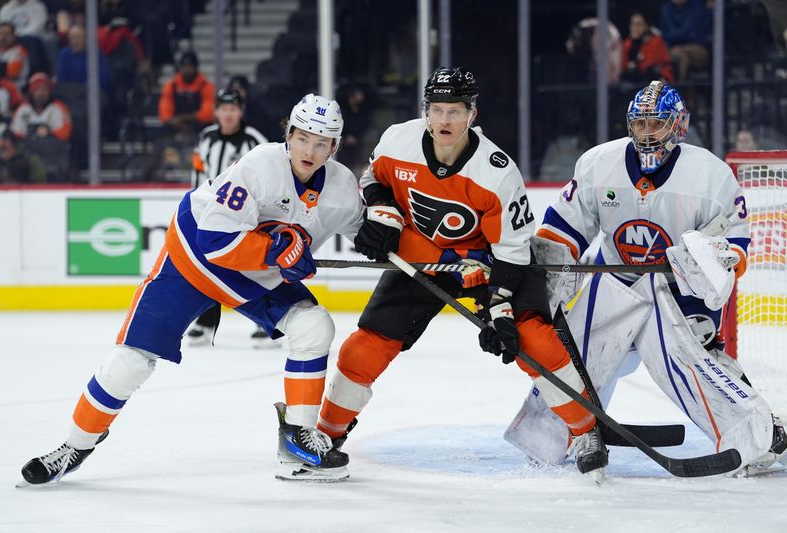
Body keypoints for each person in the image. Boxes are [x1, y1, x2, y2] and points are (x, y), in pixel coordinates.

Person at [20, 94, 365, 485]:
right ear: (288, 135)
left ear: (334, 147)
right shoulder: (259, 167)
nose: (310, 150)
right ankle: (75, 445)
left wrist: (394, 236)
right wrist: (274, 250)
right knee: (131, 361)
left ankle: (298, 444)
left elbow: (369, 234)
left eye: (322, 143)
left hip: (254, 274)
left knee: (313, 327)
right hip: (194, 260)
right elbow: (215, 239)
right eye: (303, 138)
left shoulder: (341, 187)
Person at [316, 67, 608, 478]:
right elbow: (372, 180)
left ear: (472, 113)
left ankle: (584, 430)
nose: (444, 121)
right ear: (426, 111)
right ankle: (327, 433)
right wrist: (383, 214)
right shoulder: (398, 140)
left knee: (535, 342)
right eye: (436, 110)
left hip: (490, 263)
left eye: (454, 111)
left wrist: (501, 309)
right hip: (424, 258)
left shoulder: (497, 171)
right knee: (365, 346)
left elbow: (511, 250)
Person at [505, 81, 786, 477]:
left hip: (676, 292)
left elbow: (735, 247)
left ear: (679, 125)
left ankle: (758, 436)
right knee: (575, 355)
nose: (648, 133)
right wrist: (542, 293)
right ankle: (549, 437)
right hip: (613, 281)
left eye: (657, 123)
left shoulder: (710, 175)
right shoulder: (598, 164)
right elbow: (560, 234)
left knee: (691, 363)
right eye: (640, 124)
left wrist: (708, 263)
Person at [185, 88, 273, 349]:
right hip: (212, 212)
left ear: (241, 112)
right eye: (223, 109)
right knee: (207, 263)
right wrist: (194, 204)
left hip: (248, 214)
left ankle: (264, 321)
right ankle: (207, 319)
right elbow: (198, 171)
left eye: (233, 109)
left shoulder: (254, 140)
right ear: (216, 112)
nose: (228, 114)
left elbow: (270, 175)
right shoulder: (206, 138)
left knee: (253, 265)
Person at [659, 0, 712, 82]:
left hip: (698, 47)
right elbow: (665, 35)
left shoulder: (697, 7)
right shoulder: (666, 8)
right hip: (672, 47)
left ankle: (679, 89)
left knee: (680, 55)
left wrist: (674, 37)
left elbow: (686, 32)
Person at [10, 72, 72, 142]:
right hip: (28, 148)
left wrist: (48, 132)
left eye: (45, 89)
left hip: (52, 148)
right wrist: (32, 135)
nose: (42, 93)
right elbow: (15, 133)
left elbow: (65, 134)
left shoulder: (59, 107)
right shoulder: (23, 109)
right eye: (38, 89)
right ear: (32, 92)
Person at [620, 12, 674, 84]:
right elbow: (624, 66)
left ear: (646, 26)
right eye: (632, 24)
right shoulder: (627, 44)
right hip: (636, 81)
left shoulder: (656, 41)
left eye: (638, 24)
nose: (634, 28)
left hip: (657, 80)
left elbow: (648, 67)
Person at [0, 22, 29, 88]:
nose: (3, 38)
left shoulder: (19, 52)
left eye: (6, 35)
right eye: (0, 34)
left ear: (13, 37)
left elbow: (13, 76)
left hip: (11, 87)